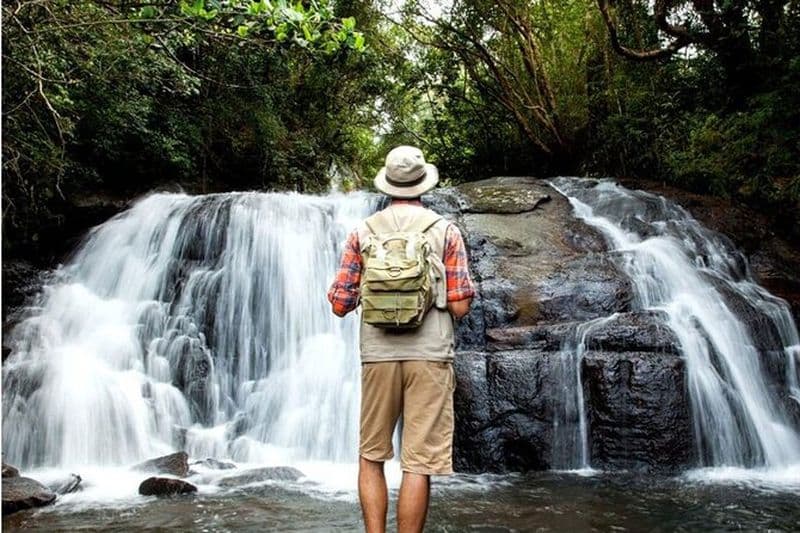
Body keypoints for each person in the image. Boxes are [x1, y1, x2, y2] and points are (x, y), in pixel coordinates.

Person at [327, 145, 475, 533]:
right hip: (430, 355)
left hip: (377, 356)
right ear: (423, 184)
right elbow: (459, 307)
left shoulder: (363, 231)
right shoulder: (446, 231)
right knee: (418, 463)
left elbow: (341, 304)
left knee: (371, 456)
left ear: (388, 184)